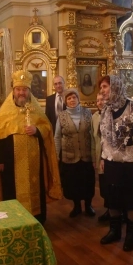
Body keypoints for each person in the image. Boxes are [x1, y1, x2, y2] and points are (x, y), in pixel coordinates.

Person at [0, 70, 62, 224]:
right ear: (13, 91)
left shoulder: (36, 109)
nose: (21, 93)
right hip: (11, 162)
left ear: (29, 91)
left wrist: (36, 130)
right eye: (18, 89)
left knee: (35, 189)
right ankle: (14, 220)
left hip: (34, 162)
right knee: (11, 190)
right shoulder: (4, 112)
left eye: (24, 90)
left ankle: (36, 219)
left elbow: (47, 128)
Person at [98, 74, 133, 252]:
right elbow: (103, 138)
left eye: (105, 87)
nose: (102, 91)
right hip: (111, 162)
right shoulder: (106, 109)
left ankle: (131, 236)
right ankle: (115, 231)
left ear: (116, 87)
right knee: (113, 199)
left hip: (131, 163)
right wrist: (103, 158)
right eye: (101, 87)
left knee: (132, 200)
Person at [54, 88, 95, 218]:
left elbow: (93, 134)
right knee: (73, 183)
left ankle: (88, 205)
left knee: (88, 182)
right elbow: (57, 137)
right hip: (70, 156)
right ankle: (77, 206)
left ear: (78, 99)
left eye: (74, 97)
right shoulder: (61, 116)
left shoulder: (88, 113)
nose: (72, 100)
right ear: (66, 101)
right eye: (69, 98)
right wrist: (56, 155)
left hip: (86, 155)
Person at [91, 92, 110, 222]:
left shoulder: (111, 115)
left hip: (110, 158)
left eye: (102, 99)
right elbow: (93, 139)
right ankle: (109, 209)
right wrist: (94, 158)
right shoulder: (95, 117)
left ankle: (117, 211)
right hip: (99, 156)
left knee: (112, 185)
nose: (100, 102)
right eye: (97, 101)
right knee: (104, 186)